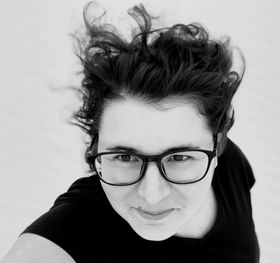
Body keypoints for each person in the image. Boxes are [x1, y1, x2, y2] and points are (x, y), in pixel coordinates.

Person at [1, 2, 259, 262]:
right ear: (95, 150)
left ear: (218, 146)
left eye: (180, 158)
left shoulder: (231, 168)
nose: (151, 195)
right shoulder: (67, 237)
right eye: (125, 157)